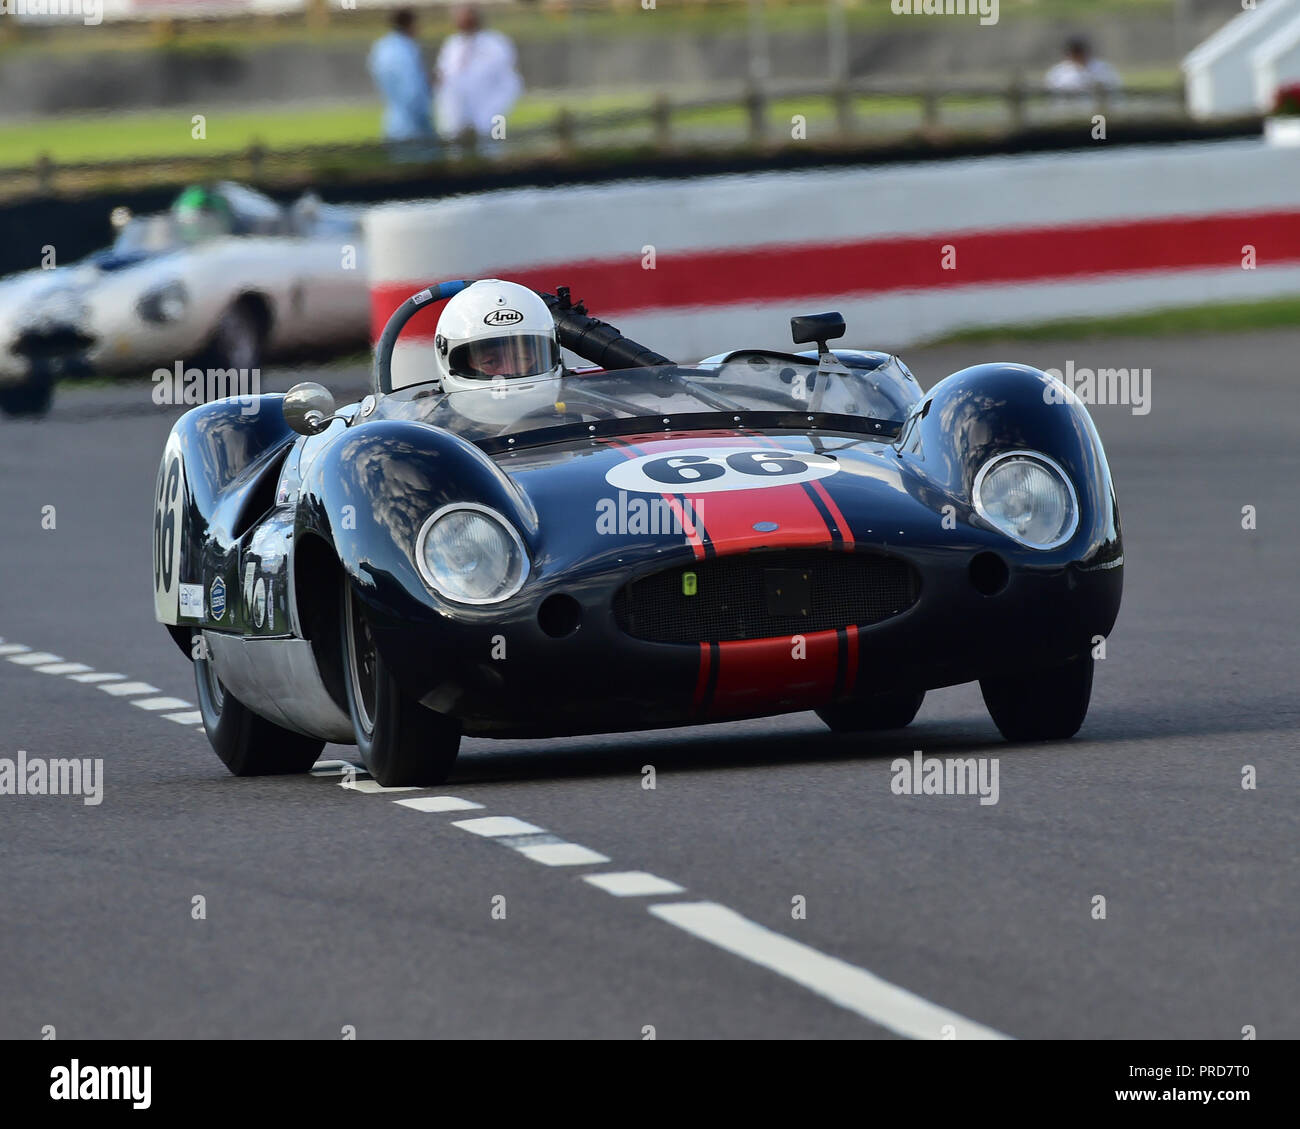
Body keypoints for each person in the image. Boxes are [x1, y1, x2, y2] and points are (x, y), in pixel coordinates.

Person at [431, 280, 563, 431]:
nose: (508, 370)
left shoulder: (584, 405)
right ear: (459, 364)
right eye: (490, 362)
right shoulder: (434, 437)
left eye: (522, 359)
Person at [435, 5, 523, 148]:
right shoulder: (452, 45)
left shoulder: (496, 44)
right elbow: (444, 80)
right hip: (457, 118)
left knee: (493, 155)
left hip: (493, 116)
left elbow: (511, 84)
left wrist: (495, 113)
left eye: (463, 15)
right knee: (459, 160)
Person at [368, 8, 435, 145]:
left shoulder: (381, 47)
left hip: (392, 125)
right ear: (410, 24)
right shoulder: (407, 50)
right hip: (414, 129)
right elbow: (413, 93)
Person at [1044, 37, 1121, 97]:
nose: (1078, 55)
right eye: (1074, 52)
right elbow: (1051, 92)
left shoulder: (1103, 68)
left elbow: (1114, 88)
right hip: (1066, 112)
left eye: (1080, 51)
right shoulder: (1059, 72)